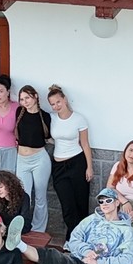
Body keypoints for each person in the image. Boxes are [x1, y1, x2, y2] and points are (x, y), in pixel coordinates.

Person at [46, 86, 92, 238]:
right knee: (67, 205)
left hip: (77, 163)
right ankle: (72, 238)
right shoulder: (52, 118)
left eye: (58, 102)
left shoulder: (79, 119)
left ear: (64, 99)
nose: (56, 106)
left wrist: (89, 167)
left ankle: (81, 238)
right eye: (52, 104)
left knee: (81, 203)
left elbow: (85, 144)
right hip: (59, 166)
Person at [13, 85, 53, 233]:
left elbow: (49, 137)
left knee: (40, 197)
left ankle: (39, 230)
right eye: (22, 99)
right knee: (24, 195)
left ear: (35, 96)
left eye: (27, 98)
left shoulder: (45, 116)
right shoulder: (19, 112)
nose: (25, 102)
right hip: (22, 160)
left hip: (39, 159)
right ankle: (23, 227)